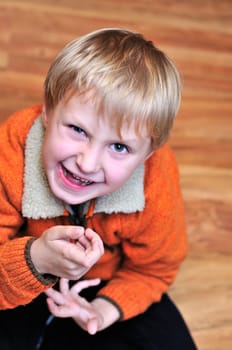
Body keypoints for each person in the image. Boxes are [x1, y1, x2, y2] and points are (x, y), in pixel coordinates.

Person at [0, 28, 197, 349]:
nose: (88, 164)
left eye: (119, 147)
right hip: (21, 267)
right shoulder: (11, 149)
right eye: (77, 129)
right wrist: (37, 259)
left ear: (148, 155)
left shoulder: (155, 181)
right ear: (47, 112)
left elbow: (155, 270)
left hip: (105, 282)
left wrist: (102, 311)